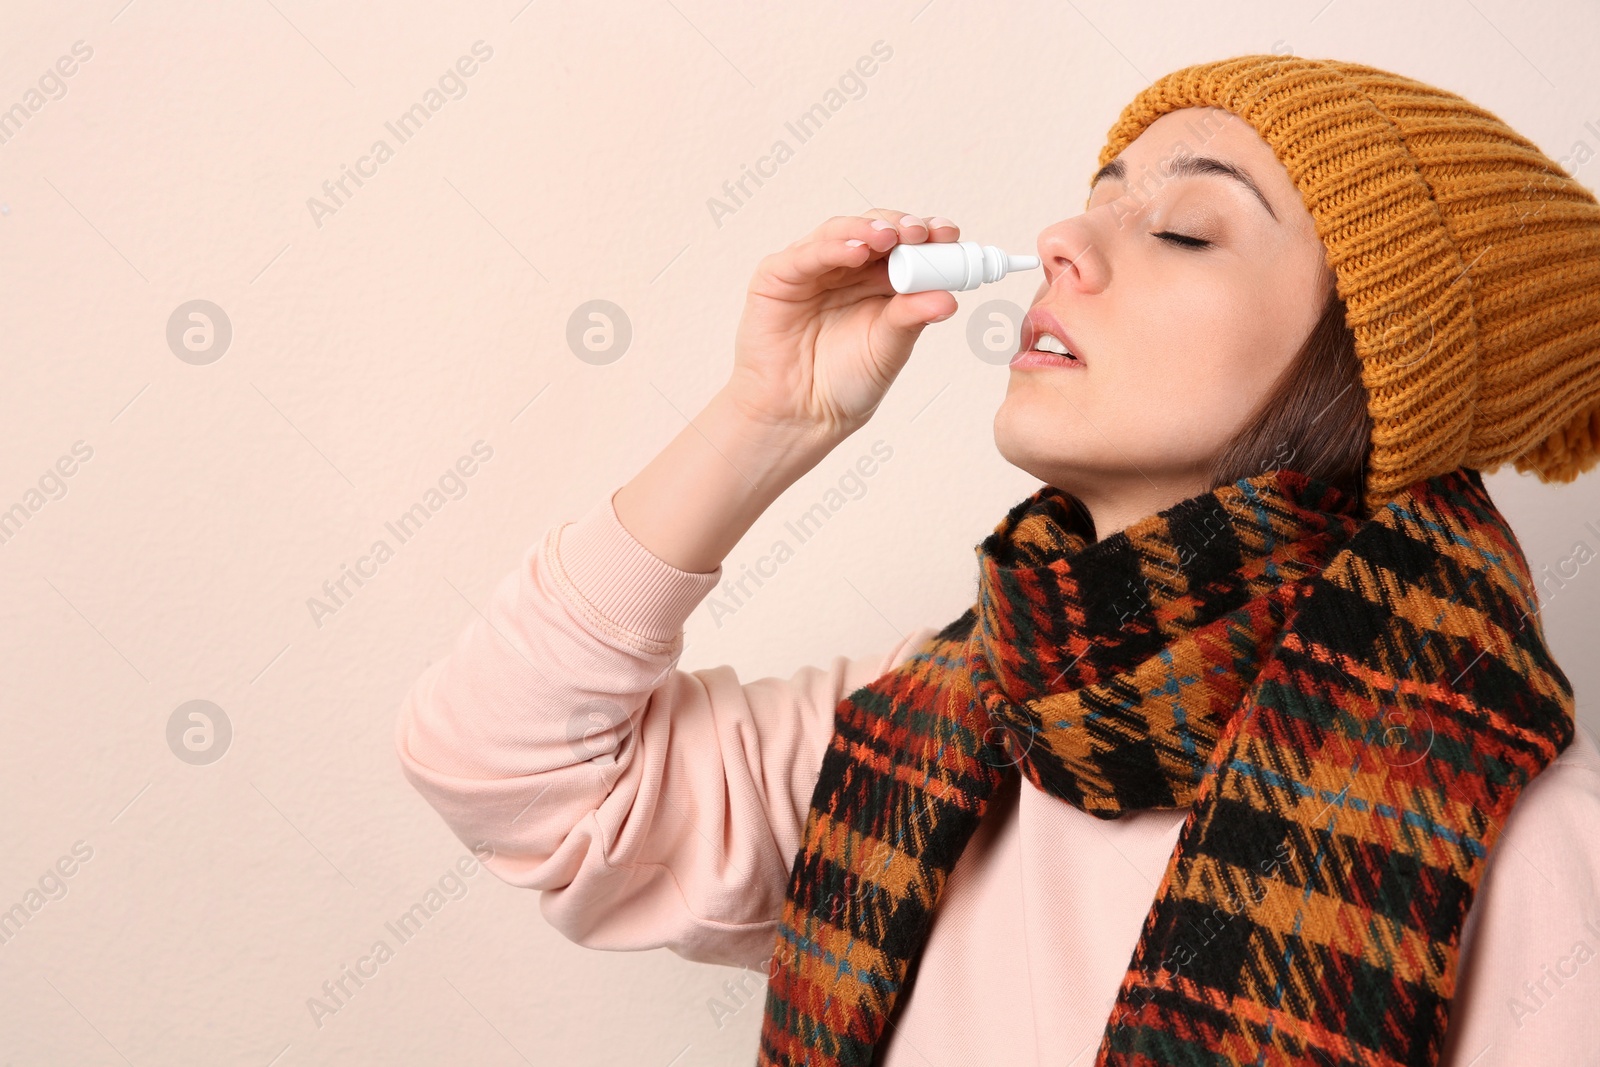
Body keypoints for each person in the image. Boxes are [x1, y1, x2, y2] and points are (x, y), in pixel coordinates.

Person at [394, 54, 1600, 1066]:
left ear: (1379, 373)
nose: (1063, 239)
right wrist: (769, 417)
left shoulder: (1525, 846)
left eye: (1184, 229)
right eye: (1097, 197)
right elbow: (503, 765)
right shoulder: (921, 727)